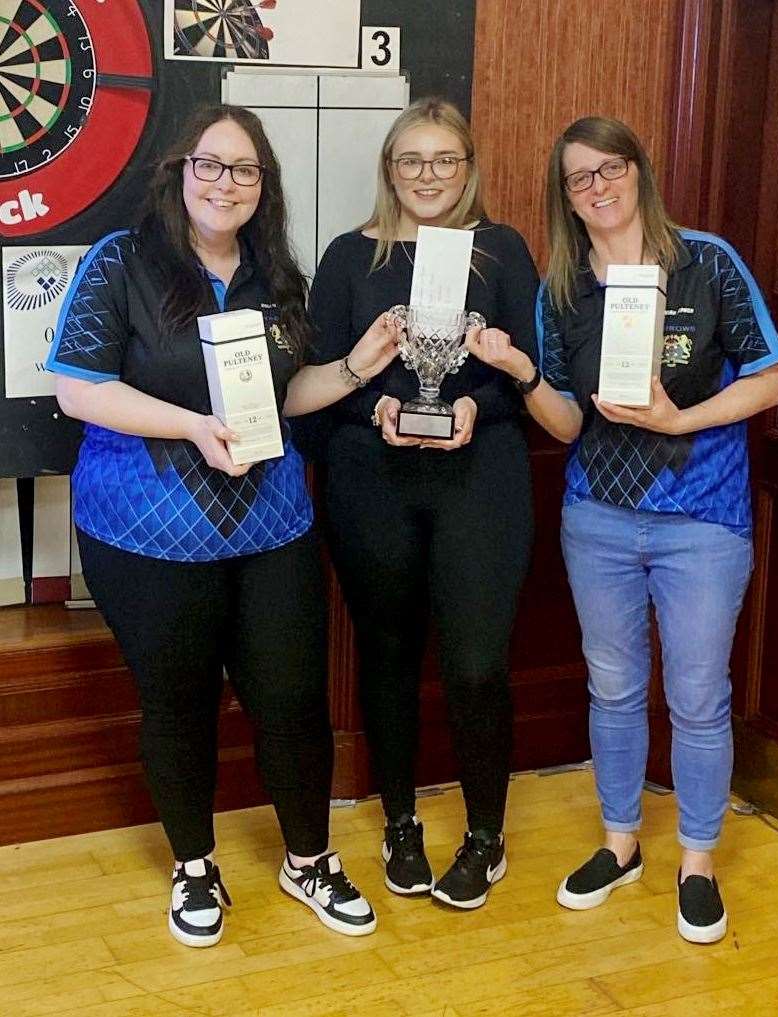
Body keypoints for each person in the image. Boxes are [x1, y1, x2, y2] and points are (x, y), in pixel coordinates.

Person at [47, 104, 401, 946]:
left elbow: (279, 397)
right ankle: (194, 864)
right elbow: (78, 389)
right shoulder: (121, 262)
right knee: (178, 702)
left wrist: (357, 365)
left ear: (262, 188)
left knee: (290, 698)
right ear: (179, 172)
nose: (226, 183)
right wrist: (194, 426)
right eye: (211, 165)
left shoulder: (276, 274)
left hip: (269, 527)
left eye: (245, 171)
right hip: (145, 533)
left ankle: (307, 859)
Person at [464, 115, 778, 943]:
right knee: (611, 687)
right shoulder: (561, 291)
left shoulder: (707, 262)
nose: (599, 187)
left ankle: (697, 859)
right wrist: (520, 370)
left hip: (701, 518)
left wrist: (683, 420)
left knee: (697, 696)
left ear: (639, 172)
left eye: (611, 168)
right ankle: (619, 844)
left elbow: (771, 379)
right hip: (598, 521)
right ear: (565, 198)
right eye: (580, 178)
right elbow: (567, 425)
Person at [308, 97, 540, 909]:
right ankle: (400, 822)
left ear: (469, 167)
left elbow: (528, 370)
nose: (428, 176)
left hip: (482, 480)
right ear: (388, 170)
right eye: (411, 160)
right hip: (373, 479)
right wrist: (369, 406)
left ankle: (485, 836)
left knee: (476, 665)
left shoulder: (502, 250)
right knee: (389, 656)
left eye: (445, 160)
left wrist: (479, 404)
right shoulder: (347, 257)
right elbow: (316, 380)